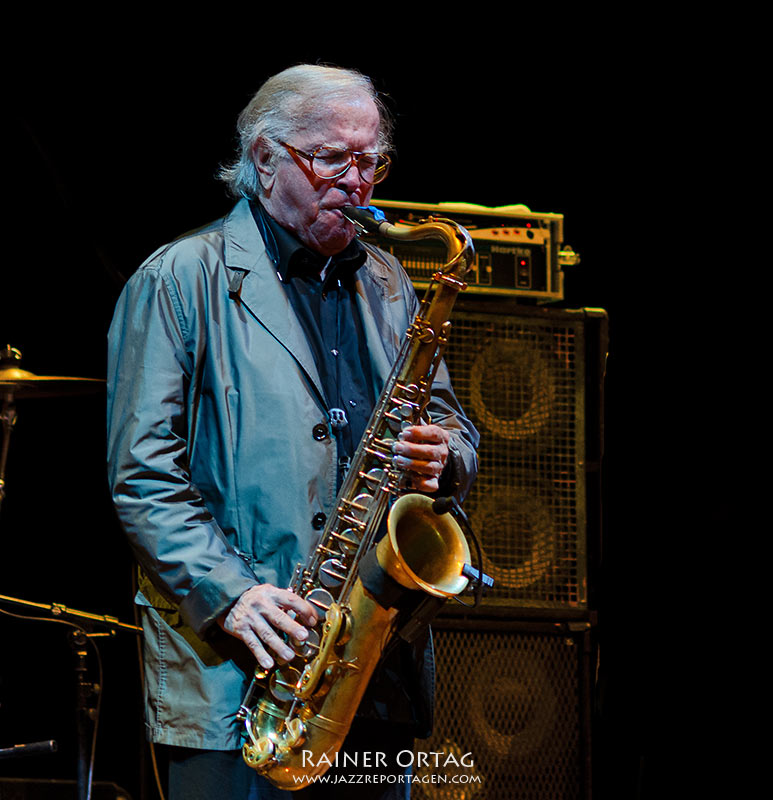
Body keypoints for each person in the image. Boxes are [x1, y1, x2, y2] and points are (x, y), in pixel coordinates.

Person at [107, 64, 478, 799]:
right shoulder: (179, 278)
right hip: (242, 674)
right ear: (265, 157)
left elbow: (449, 421)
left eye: (370, 160)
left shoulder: (390, 282)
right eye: (332, 158)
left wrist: (445, 455)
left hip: (372, 667)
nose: (357, 182)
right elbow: (142, 476)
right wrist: (230, 594)